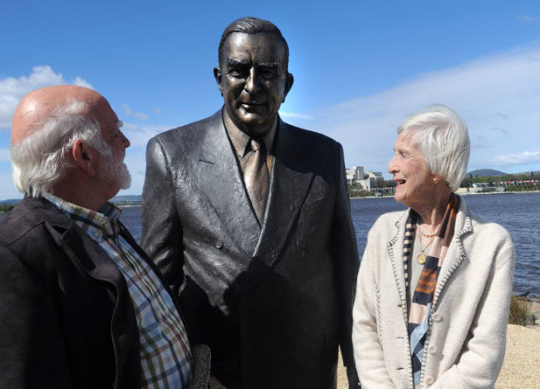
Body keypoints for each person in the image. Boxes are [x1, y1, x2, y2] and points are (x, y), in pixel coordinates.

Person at [141, 16, 359, 388]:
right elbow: (159, 283)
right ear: (219, 78)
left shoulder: (325, 156)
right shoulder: (172, 153)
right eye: (239, 71)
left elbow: (346, 272)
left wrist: (357, 370)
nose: (252, 86)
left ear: (286, 84)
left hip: (306, 367)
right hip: (218, 373)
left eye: (268, 73)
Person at [0, 85, 208, 388]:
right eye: (116, 132)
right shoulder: (6, 260)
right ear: (84, 155)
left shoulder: (103, 222)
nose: (127, 142)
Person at [352, 105, 515, 388]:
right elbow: (364, 324)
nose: (391, 166)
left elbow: (485, 353)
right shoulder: (381, 232)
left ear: (439, 166)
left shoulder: (492, 244)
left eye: (403, 154)